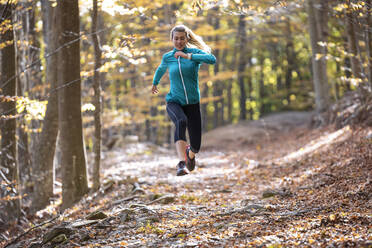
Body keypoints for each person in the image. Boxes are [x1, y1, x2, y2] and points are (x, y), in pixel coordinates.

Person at [151, 24, 216, 176]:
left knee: (196, 146)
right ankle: (181, 164)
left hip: (192, 104)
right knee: (181, 121)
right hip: (174, 101)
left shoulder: (194, 53)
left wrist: (188, 56)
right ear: (172, 39)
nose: (179, 41)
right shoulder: (168, 57)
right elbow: (161, 68)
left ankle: (190, 155)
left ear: (187, 39)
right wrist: (155, 82)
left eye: (182, 38)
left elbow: (212, 59)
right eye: (176, 39)